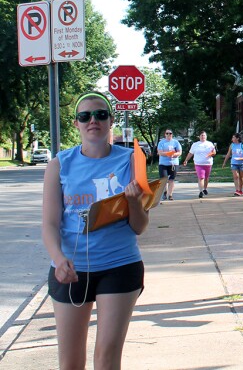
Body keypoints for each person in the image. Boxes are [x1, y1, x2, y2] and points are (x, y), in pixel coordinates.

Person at [41, 92, 149, 369]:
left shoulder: (132, 160)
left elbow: (139, 227)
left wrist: (135, 203)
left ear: (111, 120)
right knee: (70, 362)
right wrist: (58, 258)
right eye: (85, 116)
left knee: (106, 356)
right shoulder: (59, 164)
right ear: (76, 123)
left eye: (101, 115)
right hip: (71, 269)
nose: (93, 121)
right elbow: (50, 223)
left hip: (119, 265)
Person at [183, 131, 216, 198]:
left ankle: (205, 189)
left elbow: (214, 152)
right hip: (199, 164)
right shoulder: (195, 144)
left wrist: (212, 154)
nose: (203, 137)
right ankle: (201, 191)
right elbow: (190, 153)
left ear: (206, 136)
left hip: (208, 163)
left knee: (206, 178)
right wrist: (186, 160)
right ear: (199, 136)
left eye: (204, 135)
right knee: (201, 177)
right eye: (201, 135)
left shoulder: (210, 144)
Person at [156, 128, 182, 200]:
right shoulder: (162, 142)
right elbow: (160, 152)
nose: (168, 135)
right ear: (165, 134)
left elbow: (179, 152)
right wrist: (168, 154)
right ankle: (165, 191)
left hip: (173, 163)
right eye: (167, 133)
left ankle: (170, 195)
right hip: (163, 164)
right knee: (164, 179)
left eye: (170, 133)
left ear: (172, 135)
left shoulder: (175, 142)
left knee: (171, 179)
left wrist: (174, 154)